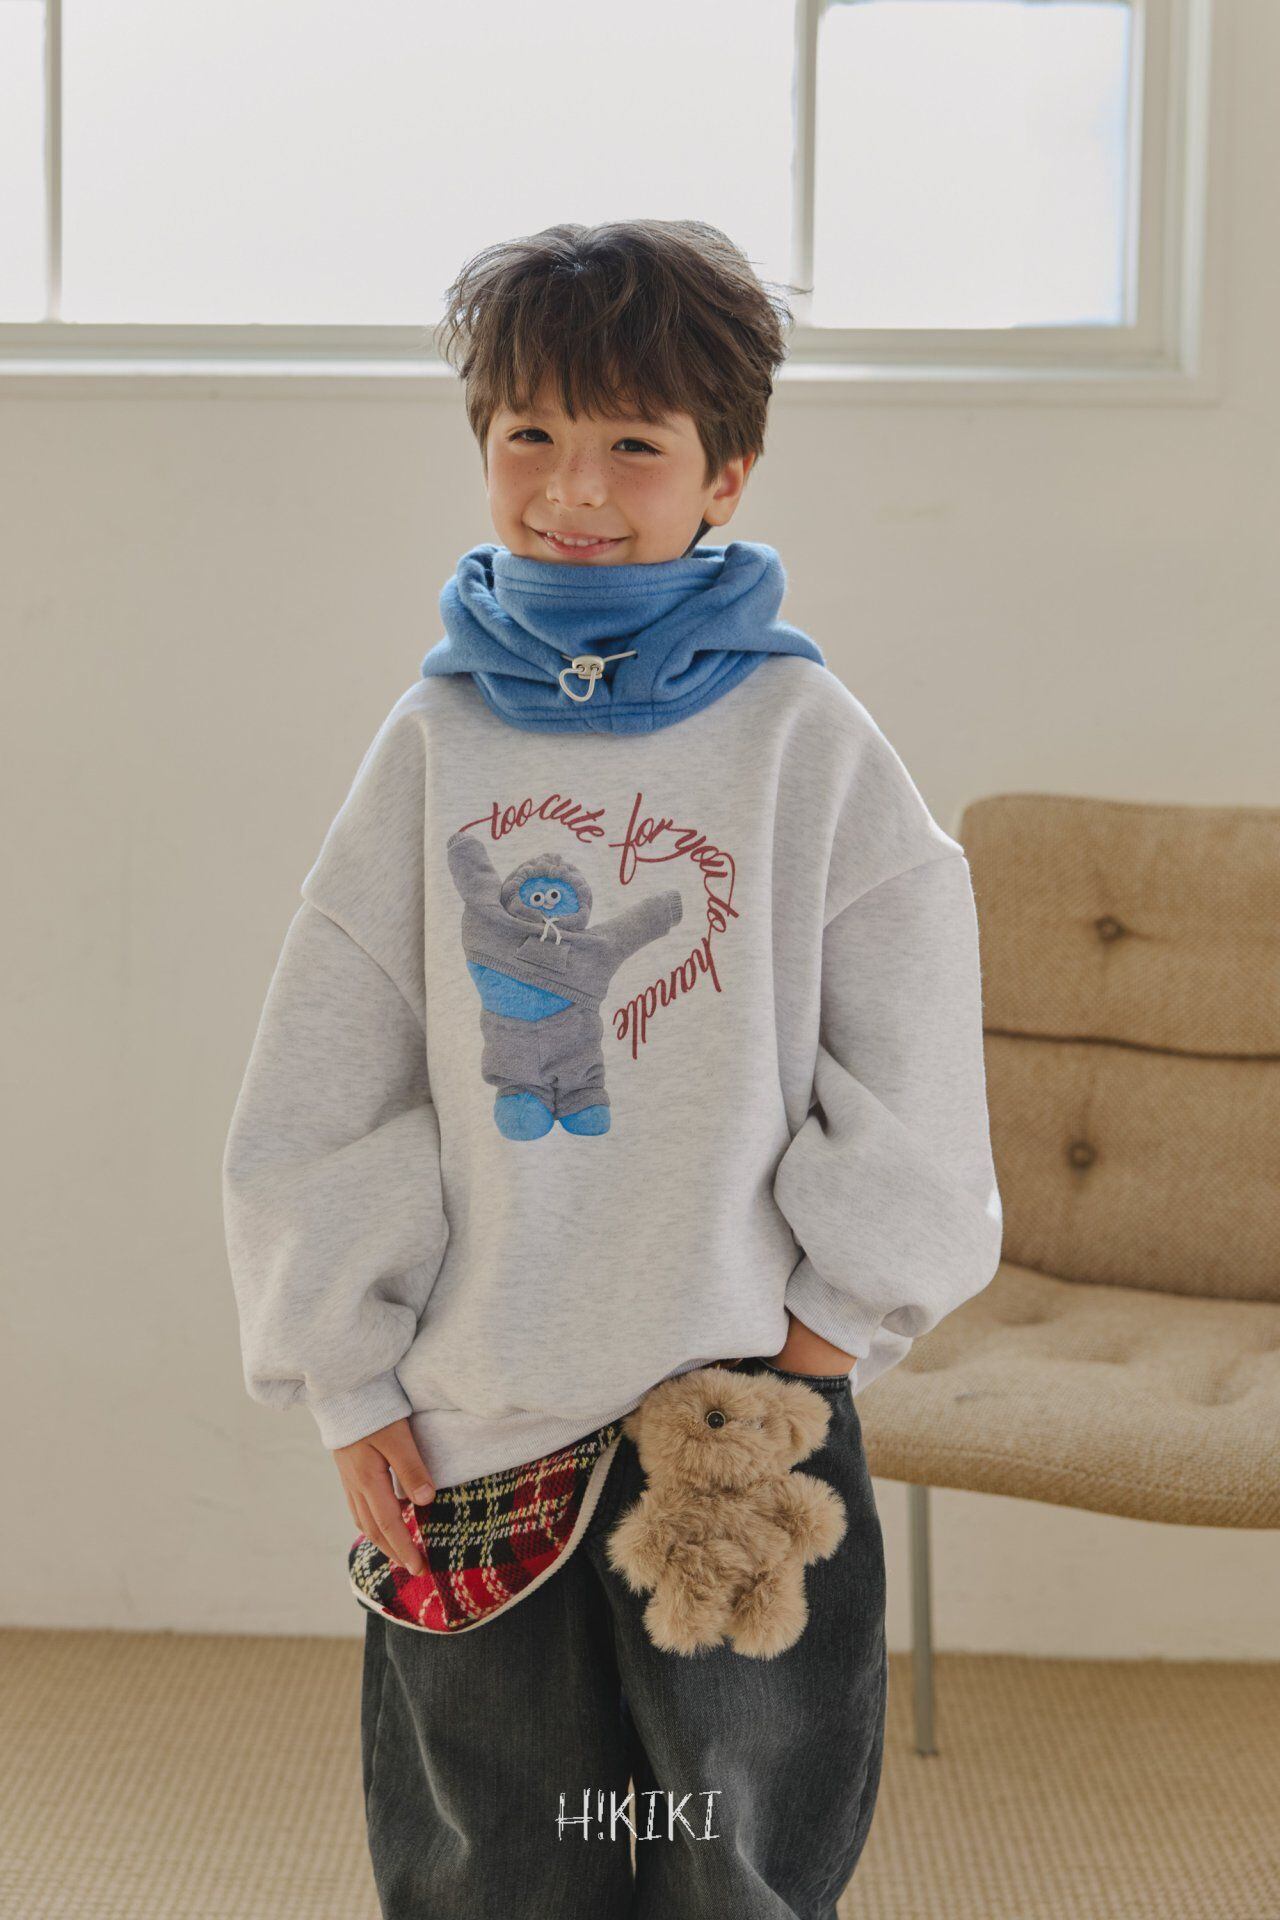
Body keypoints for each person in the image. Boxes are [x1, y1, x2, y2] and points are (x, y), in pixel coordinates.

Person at [222, 217, 1003, 1918]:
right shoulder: (435, 741)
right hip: (472, 1413)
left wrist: (823, 1341)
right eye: (531, 435)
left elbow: (914, 1050)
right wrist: (347, 1379)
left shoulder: (805, 740)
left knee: (735, 1861)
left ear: (728, 473)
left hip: (737, 1412)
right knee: (498, 1861)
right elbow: (331, 1075)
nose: (574, 488)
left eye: (634, 445)